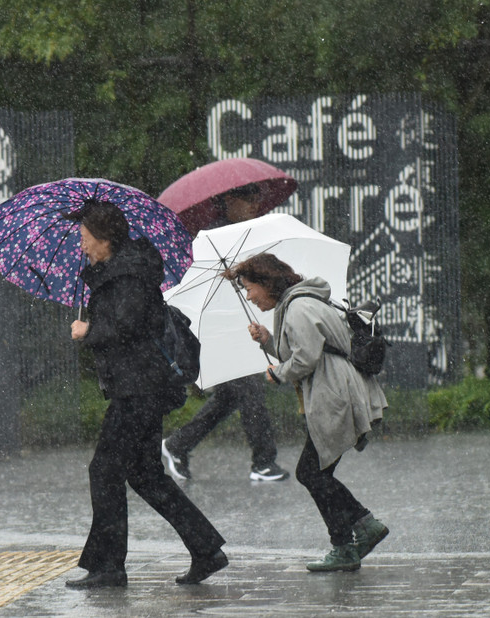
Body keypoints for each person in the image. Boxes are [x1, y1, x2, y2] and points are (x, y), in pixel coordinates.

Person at [64, 200, 228, 589]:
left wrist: (89, 333)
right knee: (145, 474)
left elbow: (128, 326)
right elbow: (125, 324)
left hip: (140, 390)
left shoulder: (129, 275)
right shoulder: (119, 272)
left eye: (86, 238)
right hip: (139, 387)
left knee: (104, 470)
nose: (82, 246)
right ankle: (205, 549)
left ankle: (108, 567)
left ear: (105, 240)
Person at [228, 252, 389, 572]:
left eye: (249, 288)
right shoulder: (297, 304)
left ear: (265, 282)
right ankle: (351, 538)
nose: (248, 296)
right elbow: (301, 347)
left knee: (310, 472)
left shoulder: (298, 307)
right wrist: (267, 340)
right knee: (317, 473)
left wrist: (278, 374)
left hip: (334, 396)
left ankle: (355, 535)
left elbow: (304, 358)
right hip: (335, 392)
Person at [161, 184, 289, 482]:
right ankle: (263, 462)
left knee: (231, 397)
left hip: (235, 329)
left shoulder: (246, 234)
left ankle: (177, 444)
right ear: (229, 200)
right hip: (218, 333)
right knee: (250, 391)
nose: (255, 203)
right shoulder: (213, 240)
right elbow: (200, 289)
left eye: (257, 197)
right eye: (249, 198)